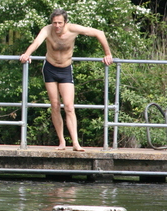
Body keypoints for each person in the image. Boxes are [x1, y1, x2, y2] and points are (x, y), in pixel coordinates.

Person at [19, 8, 113, 151]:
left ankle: (75, 143)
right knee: (55, 105)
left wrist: (107, 53)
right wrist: (26, 54)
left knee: (69, 106)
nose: (57, 26)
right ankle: (62, 141)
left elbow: (99, 33)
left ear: (65, 22)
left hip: (65, 69)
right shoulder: (47, 30)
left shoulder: (73, 29)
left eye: (59, 23)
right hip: (50, 68)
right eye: (54, 23)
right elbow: (36, 43)